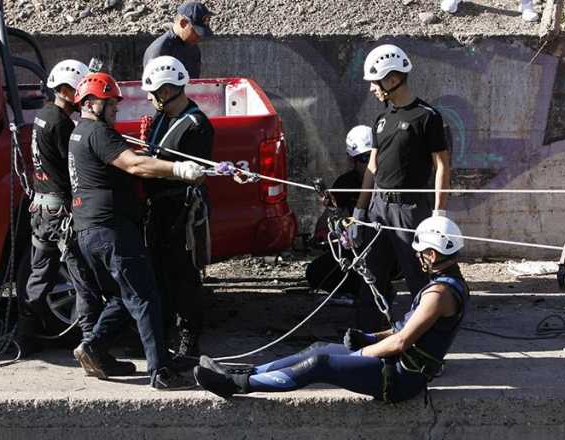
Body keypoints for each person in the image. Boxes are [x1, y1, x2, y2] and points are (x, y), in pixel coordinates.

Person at [193, 216, 469, 403]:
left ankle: (236, 386)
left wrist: (362, 353)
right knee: (317, 348)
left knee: (319, 364)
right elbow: (403, 330)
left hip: (400, 379)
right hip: (396, 364)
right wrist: (370, 338)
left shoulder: (439, 294)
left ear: (432, 255)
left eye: (421, 252)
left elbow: (400, 341)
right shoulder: (447, 284)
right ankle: (244, 373)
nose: (418, 257)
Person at [67, 71, 205, 390]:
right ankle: (161, 372)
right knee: (145, 297)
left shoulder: (81, 133)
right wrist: (178, 168)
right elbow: (134, 165)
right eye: (110, 102)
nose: (116, 107)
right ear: (90, 103)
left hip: (89, 231)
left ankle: (94, 347)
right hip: (112, 230)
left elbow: (126, 161)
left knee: (123, 295)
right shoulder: (99, 133)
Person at [17, 59, 135, 376]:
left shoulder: (42, 116)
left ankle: (23, 337)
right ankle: (90, 345)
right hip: (61, 211)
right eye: (79, 89)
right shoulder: (64, 125)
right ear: (69, 91)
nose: (83, 95)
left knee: (39, 275)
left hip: (40, 207)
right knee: (82, 283)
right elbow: (77, 170)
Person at [351, 44, 451, 332]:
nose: (372, 88)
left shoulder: (427, 117)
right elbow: (372, 167)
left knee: (419, 278)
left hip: (410, 210)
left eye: (375, 81)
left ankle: (425, 345)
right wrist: (360, 211)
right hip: (378, 208)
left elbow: (442, 165)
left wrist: (439, 213)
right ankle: (369, 341)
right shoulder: (382, 119)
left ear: (392, 79)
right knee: (371, 277)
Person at [137, 56, 214, 362]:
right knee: (160, 273)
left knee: (184, 276)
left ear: (168, 90)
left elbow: (181, 170)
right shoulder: (161, 118)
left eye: (154, 92)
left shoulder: (196, 126)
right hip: (159, 209)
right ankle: (163, 331)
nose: (149, 98)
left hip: (181, 211)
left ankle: (189, 340)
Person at [305, 125, 374, 299]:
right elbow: (332, 212)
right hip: (356, 248)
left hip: (383, 247)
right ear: (352, 160)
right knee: (316, 274)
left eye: (373, 157)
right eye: (364, 159)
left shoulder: (388, 181)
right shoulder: (345, 183)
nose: (370, 164)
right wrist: (320, 234)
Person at [142, 1, 213, 80]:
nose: (199, 37)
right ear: (183, 23)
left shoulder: (193, 47)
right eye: (196, 31)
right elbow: (156, 89)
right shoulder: (159, 52)